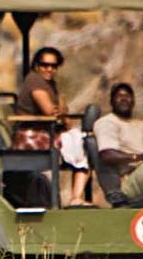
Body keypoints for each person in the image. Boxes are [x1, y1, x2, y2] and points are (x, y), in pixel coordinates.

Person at [13, 47, 89, 205]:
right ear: (36, 65)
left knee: (88, 143)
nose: (49, 69)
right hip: (31, 134)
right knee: (86, 145)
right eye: (44, 65)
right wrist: (59, 111)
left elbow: (62, 108)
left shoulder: (50, 84)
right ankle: (76, 197)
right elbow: (49, 111)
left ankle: (77, 197)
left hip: (47, 131)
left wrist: (60, 109)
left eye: (54, 66)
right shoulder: (34, 81)